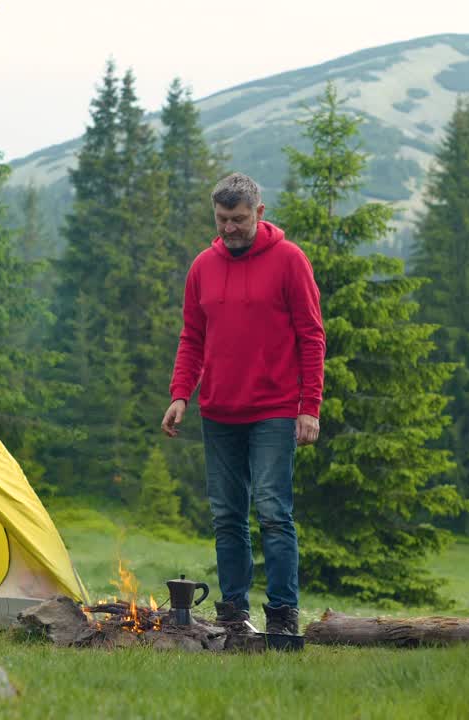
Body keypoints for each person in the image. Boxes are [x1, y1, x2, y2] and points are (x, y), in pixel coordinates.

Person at [161, 172, 325, 636]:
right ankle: (234, 616)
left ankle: (282, 618)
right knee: (227, 517)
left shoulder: (290, 261)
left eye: (238, 219)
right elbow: (192, 337)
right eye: (222, 219)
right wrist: (180, 395)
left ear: (259, 213)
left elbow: (312, 337)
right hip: (218, 412)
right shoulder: (202, 267)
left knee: (274, 512)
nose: (229, 228)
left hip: (274, 410)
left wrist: (308, 406)